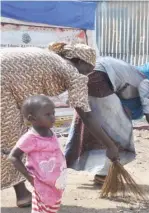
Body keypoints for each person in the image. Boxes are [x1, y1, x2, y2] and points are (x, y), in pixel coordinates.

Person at [0, 42, 119, 208]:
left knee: (14, 137)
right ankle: (22, 194)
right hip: (3, 86)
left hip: (5, 77)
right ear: (78, 61)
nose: (88, 74)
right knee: (11, 139)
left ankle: (22, 193)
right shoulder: (71, 71)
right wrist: (110, 145)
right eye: (88, 69)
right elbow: (86, 115)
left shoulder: (54, 60)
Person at [65, 57, 149, 185]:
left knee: (90, 120)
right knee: (121, 127)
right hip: (100, 77)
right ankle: (105, 173)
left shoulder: (130, 72)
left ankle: (69, 163)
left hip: (91, 73)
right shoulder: (145, 81)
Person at [8, 95, 66, 213]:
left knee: (52, 207)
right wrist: (30, 178)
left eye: (53, 113)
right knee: (41, 209)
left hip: (55, 182)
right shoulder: (30, 138)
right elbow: (13, 156)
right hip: (41, 183)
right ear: (32, 118)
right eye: (47, 115)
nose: (53, 117)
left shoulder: (49, 131)